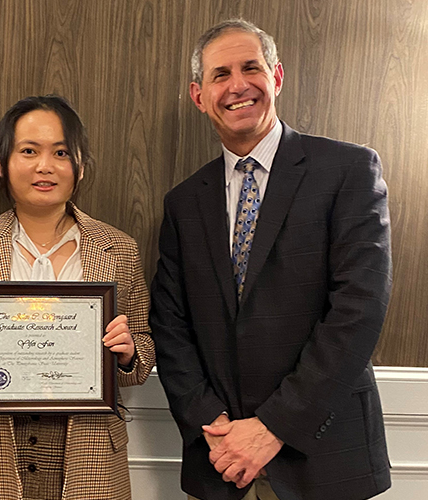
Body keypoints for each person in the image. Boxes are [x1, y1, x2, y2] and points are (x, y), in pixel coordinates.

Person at [149, 19, 392, 500]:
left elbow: (358, 310)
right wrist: (213, 425)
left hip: (324, 460)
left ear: (276, 77)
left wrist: (272, 427)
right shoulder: (183, 203)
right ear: (199, 95)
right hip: (221, 462)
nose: (238, 86)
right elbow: (170, 324)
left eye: (251, 68)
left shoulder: (347, 171)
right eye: (221, 75)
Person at [0, 95, 155, 500]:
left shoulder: (119, 249)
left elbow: (143, 355)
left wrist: (128, 352)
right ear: (2, 164)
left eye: (61, 152)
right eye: (28, 151)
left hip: (88, 457)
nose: (44, 166)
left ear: (79, 165)